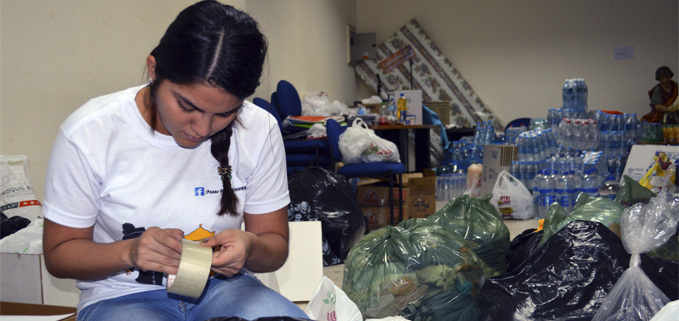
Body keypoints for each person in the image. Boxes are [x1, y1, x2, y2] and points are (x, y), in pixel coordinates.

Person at [41, 1, 308, 320]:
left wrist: (250, 247)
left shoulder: (259, 129)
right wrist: (130, 251)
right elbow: (59, 255)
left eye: (225, 113)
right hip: (122, 297)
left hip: (225, 288)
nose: (203, 129)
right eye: (187, 106)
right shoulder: (89, 134)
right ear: (153, 70)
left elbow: (274, 246)